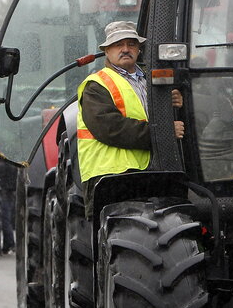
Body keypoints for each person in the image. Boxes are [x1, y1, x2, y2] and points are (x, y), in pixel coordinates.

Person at [77, 21, 184, 218]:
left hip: (148, 173)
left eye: (131, 44)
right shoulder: (96, 85)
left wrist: (174, 104)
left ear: (139, 49)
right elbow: (110, 128)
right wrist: (163, 133)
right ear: (107, 50)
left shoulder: (149, 82)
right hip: (111, 178)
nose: (126, 49)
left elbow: (149, 116)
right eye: (118, 44)